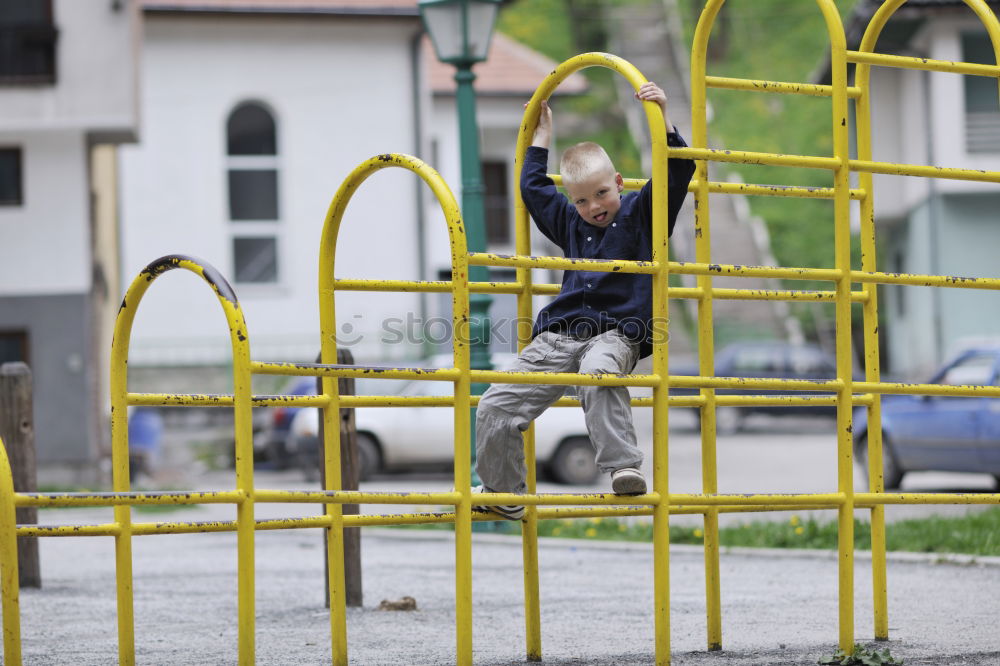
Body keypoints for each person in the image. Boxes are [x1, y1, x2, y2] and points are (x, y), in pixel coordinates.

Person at [474, 82, 696, 520]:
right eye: (580, 200)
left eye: (600, 193)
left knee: (598, 373)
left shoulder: (641, 214)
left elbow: (677, 173)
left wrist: (663, 116)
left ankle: (622, 467)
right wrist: (541, 138)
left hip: (617, 333)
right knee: (494, 403)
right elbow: (534, 189)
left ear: (617, 182)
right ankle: (504, 491)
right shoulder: (571, 224)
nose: (594, 206)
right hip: (559, 335)